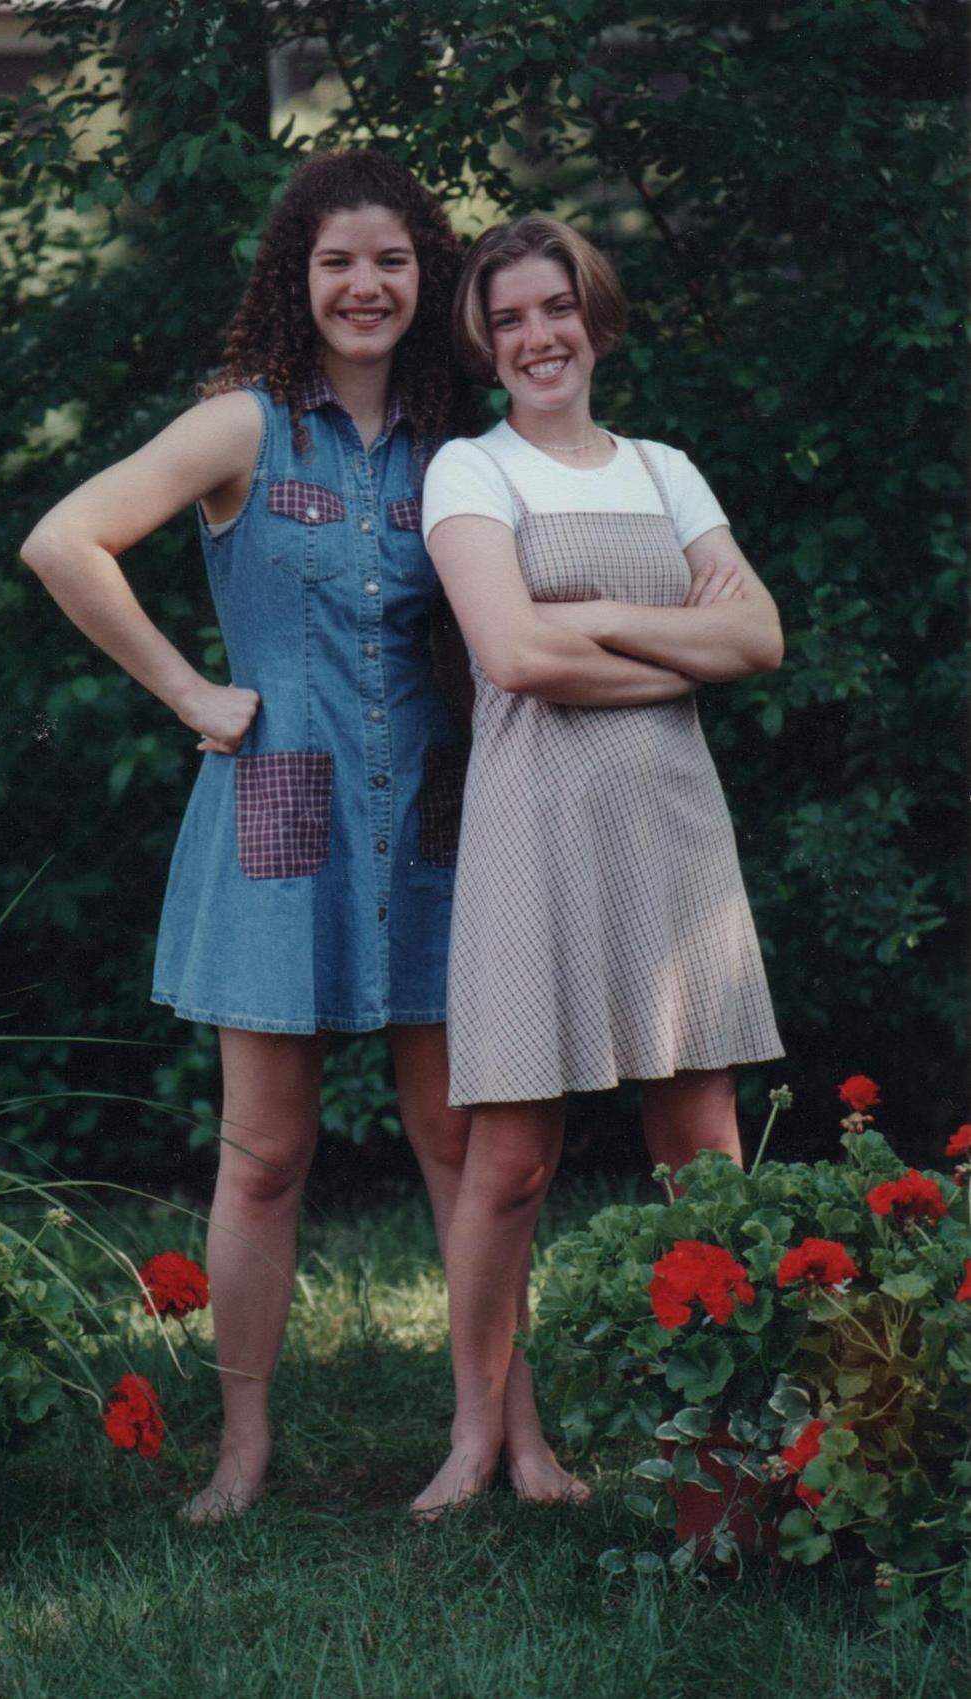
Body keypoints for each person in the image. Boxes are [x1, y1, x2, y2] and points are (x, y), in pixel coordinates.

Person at [20, 154, 578, 1521]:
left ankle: (511, 1437)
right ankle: (242, 1450)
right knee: (264, 1156)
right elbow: (65, 540)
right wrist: (190, 693)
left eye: (391, 260)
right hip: (279, 826)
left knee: (464, 1145)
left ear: (425, 276)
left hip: (441, 831)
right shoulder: (244, 428)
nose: (365, 286)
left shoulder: (467, 448)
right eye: (338, 262)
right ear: (298, 276)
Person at [414, 214, 785, 1514]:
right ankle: (477, 1434)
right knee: (513, 1157)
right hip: (533, 832)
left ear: (594, 315)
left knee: (702, 1148)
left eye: (555, 308)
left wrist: (597, 618)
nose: (538, 337)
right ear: (484, 342)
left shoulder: (665, 470)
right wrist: (674, 640)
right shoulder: (469, 471)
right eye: (509, 318)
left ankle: (721, 1427)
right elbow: (515, 655)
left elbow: (759, 638)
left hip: (673, 831)